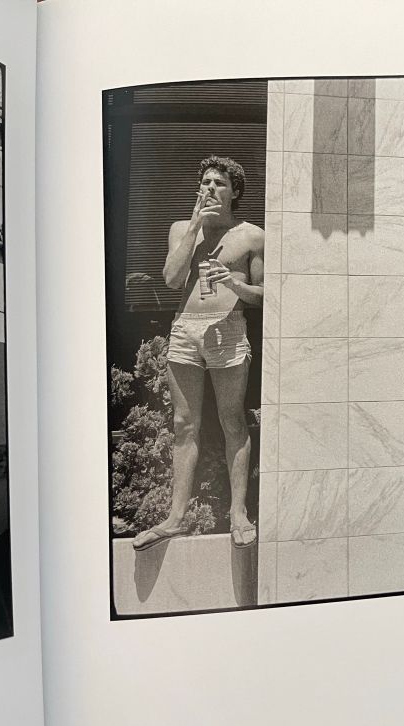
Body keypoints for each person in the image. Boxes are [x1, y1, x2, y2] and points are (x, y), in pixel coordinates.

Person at [132, 156, 265, 550]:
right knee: (184, 424)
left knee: (231, 420)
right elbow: (172, 280)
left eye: (219, 183)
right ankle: (174, 517)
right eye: (205, 181)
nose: (209, 188)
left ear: (234, 191)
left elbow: (265, 296)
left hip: (228, 329)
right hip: (186, 330)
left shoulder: (252, 237)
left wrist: (236, 286)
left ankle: (238, 513)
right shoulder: (181, 229)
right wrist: (194, 224)